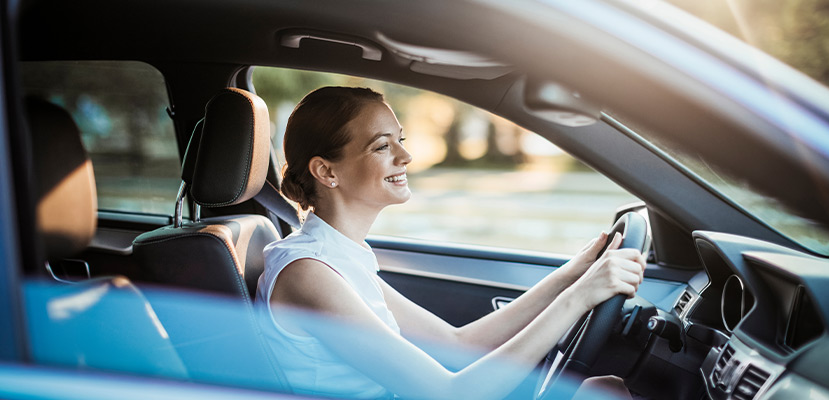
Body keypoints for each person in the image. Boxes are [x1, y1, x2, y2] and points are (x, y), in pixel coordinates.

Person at [256, 86, 646, 399]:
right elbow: (449, 391)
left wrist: (571, 275)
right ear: (326, 171)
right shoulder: (308, 272)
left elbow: (457, 342)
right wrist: (580, 298)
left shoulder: (338, 257)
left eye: (401, 140)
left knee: (603, 388)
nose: (406, 156)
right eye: (382, 145)